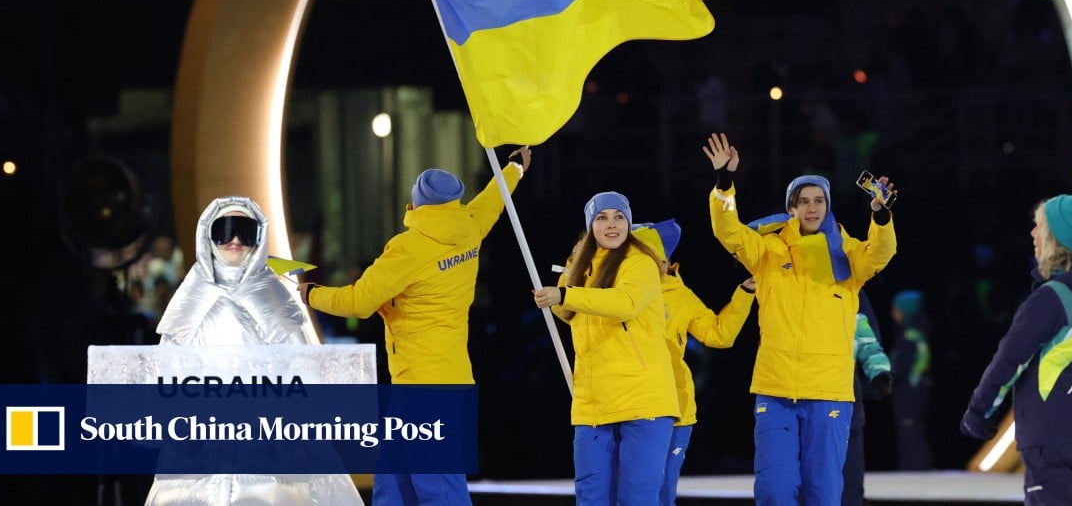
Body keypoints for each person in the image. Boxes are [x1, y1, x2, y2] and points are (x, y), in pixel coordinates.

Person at [300, 148, 530, 505]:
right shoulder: (468, 227)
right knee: (394, 484)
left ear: (415, 200)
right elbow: (493, 200)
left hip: (424, 388)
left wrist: (310, 294)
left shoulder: (409, 248)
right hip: (441, 380)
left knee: (438, 489)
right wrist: (513, 169)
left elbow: (359, 302)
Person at [702, 133, 897, 506]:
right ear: (791, 209)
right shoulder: (767, 251)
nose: (812, 208)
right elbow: (727, 232)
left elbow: (881, 253)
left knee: (824, 494)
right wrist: (724, 182)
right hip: (775, 391)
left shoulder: (850, 255)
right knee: (775, 491)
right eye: (803, 201)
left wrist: (881, 215)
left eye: (818, 200)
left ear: (828, 205)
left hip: (828, 393)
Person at [147, 196, 363, 505]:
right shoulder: (190, 297)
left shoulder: (274, 296)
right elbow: (168, 371)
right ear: (207, 234)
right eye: (223, 229)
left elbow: (301, 373)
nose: (234, 239)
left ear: (258, 237)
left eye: (246, 230)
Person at [961, 194, 1072, 505]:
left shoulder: (1051, 299)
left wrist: (978, 413)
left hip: (1051, 439)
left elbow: (1009, 361)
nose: (1033, 235)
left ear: (1055, 237)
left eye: (1038, 227)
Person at [532, 191, 679, 505]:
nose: (611, 225)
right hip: (593, 402)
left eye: (618, 217)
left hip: (643, 402)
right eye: (601, 218)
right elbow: (576, 317)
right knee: (591, 496)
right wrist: (552, 301)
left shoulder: (640, 263)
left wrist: (565, 295)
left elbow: (625, 304)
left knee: (636, 498)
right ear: (590, 226)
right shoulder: (580, 268)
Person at [633, 219, 756, 505]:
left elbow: (719, 334)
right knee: (631, 491)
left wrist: (745, 293)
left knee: (663, 492)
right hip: (629, 407)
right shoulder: (613, 293)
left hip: (675, 408)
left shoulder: (679, 296)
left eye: (658, 258)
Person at [842, 289, 893, 506]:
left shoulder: (849, 288)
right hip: (807, 406)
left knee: (850, 481)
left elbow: (866, 339)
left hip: (847, 405)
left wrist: (879, 373)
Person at [890, 289, 933, 470]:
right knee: (914, 429)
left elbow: (900, 367)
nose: (893, 312)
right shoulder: (920, 333)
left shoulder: (909, 337)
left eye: (896, 308)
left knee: (910, 431)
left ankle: (915, 468)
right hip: (919, 388)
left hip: (910, 391)